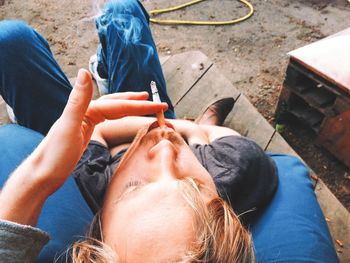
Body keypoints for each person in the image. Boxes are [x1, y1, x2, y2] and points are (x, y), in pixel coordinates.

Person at [0, 0, 339, 262]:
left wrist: (38, 172)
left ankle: (89, 88)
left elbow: (98, 135)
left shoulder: (89, 179)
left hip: (110, 127)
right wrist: (186, 128)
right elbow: (210, 141)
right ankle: (185, 109)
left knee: (10, 40)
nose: (163, 151)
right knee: (124, 10)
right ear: (224, 205)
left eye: (133, 188)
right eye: (191, 184)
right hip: (172, 126)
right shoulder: (238, 169)